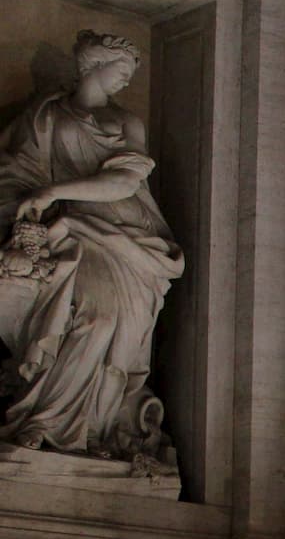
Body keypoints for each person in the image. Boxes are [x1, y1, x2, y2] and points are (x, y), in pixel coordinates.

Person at [0, 30, 183, 468]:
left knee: (112, 326)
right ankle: (45, 423)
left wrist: (53, 191)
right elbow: (13, 172)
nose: (125, 80)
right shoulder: (45, 116)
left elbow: (125, 181)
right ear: (92, 65)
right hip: (70, 234)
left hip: (123, 234)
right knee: (94, 317)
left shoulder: (125, 123)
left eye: (131, 74)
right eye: (120, 70)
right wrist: (32, 208)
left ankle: (93, 431)